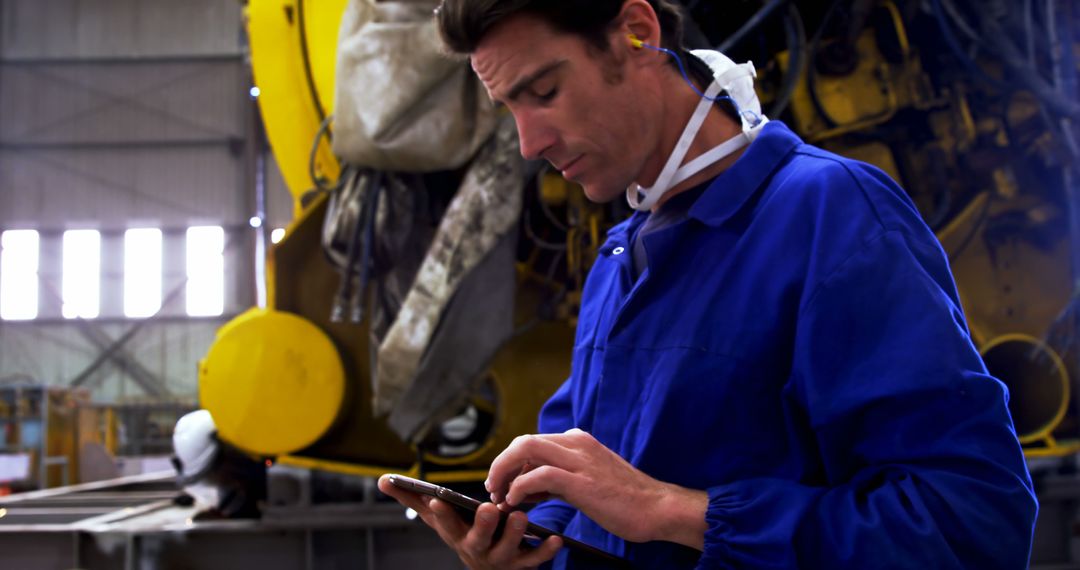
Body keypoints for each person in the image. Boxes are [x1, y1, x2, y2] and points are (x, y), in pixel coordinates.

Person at [378, 0, 1039, 568]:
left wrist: (676, 512)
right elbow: (592, 510)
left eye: (545, 91)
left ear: (636, 30)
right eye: (509, 107)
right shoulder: (621, 257)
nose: (528, 142)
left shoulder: (830, 216)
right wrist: (525, 550)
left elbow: (971, 523)